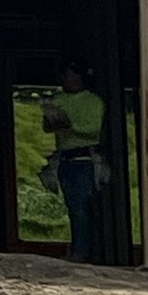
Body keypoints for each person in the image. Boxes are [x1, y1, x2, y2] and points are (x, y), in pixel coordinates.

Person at [42, 61, 107, 263]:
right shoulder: (58, 99)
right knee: (71, 207)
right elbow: (47, 128)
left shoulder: (93, 101)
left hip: (85, 160)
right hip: (64, 160)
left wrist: (70, 126)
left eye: (71, 75)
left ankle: (82, 251)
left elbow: (93, 129)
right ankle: (77, 247)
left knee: (82, 208)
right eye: (65, 76)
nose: (68, 80)